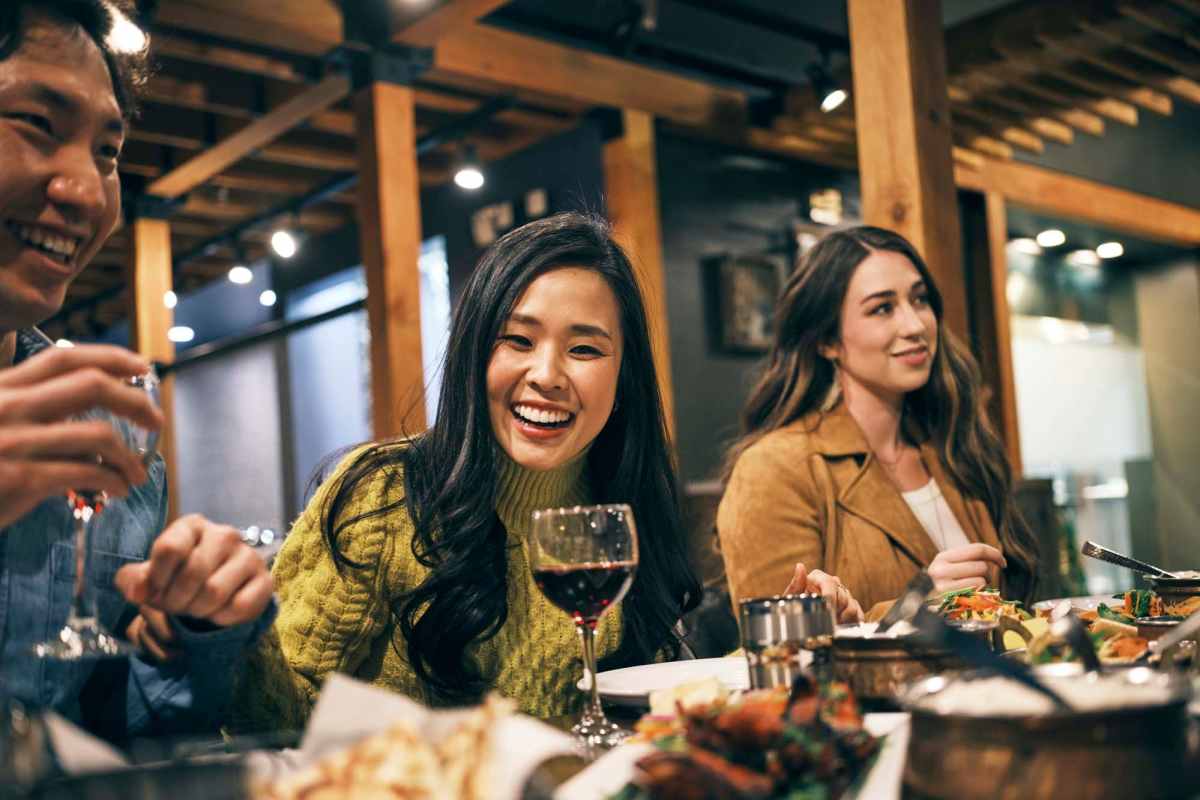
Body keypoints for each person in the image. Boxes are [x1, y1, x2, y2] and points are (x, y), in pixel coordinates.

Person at [235, 212, 700, 730]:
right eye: (518, 341)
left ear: (623, 375)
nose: (546, 376)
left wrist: (788, 654)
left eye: (585, 349)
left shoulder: (621, 515)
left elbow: (666, 712)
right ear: (473, 354)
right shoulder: (386, 495)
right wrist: (232, 632)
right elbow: (273, 722)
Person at [0, 0, 274, 743]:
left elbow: (117, 722)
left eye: (108, 153)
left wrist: (194, 625)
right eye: (35, 123)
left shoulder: (106, 417)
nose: (87, 192)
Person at [717, 226, 1038, 620]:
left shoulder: (954, 446)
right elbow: (781, 648)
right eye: (882, 308)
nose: (915, 325)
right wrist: (919, 603)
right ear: (828, 341)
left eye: (919, 300)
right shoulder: (774, 468)